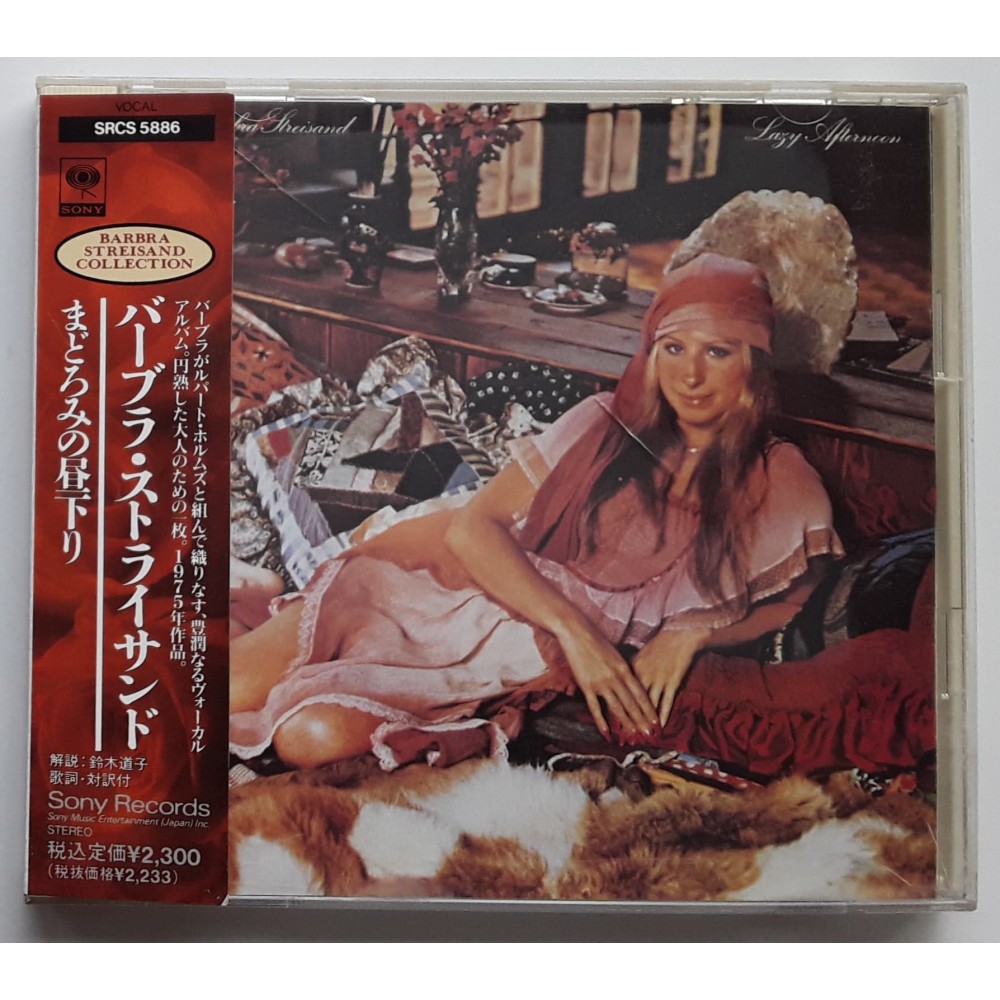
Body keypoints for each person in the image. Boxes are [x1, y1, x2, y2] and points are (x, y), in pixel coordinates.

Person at [230, 253, 842, 771]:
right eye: (674, 347)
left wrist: (693, 632)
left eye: (718, 352)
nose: (691, 375)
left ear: (753, 363)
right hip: (439, 585)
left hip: (507, 659)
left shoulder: (780, 477)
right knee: (220, 689)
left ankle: (248, 604)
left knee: (308, 737)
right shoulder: (601, 421)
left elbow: (792, 601)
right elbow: (474, 528)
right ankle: (251, 601)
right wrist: (580, 636)